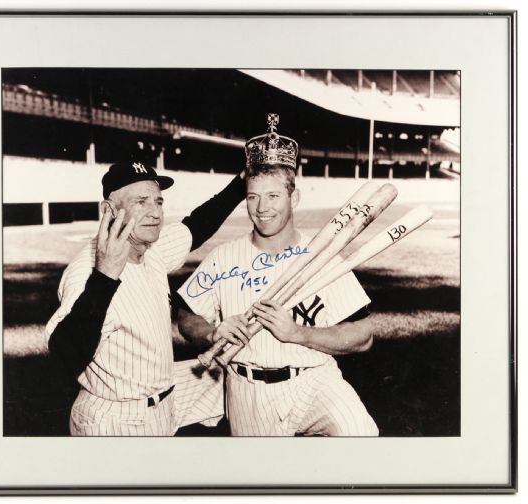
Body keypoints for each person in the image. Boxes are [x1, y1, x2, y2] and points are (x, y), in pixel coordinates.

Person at [177, 114, 379, 436]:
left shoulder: (322, 255)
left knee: (358, 432)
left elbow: (363, 335)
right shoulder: (223, 257)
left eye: (273, 196)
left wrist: (298, 333)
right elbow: (186, 315)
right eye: (253, 197)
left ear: (293, 198)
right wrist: (212, 333)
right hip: (248, 389)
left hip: (315, 379)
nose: (261, 208)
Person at [46, 159, 245, 436]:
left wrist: (242, 183)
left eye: (159, 202)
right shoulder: (85, 273)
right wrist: (105, 277)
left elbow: (196, 227)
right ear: (109, 210)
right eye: (141, 202)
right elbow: (65, 354)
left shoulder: (150, 248)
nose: (155, 213)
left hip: (162, 399)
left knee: (237, 377)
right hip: (115, 419)